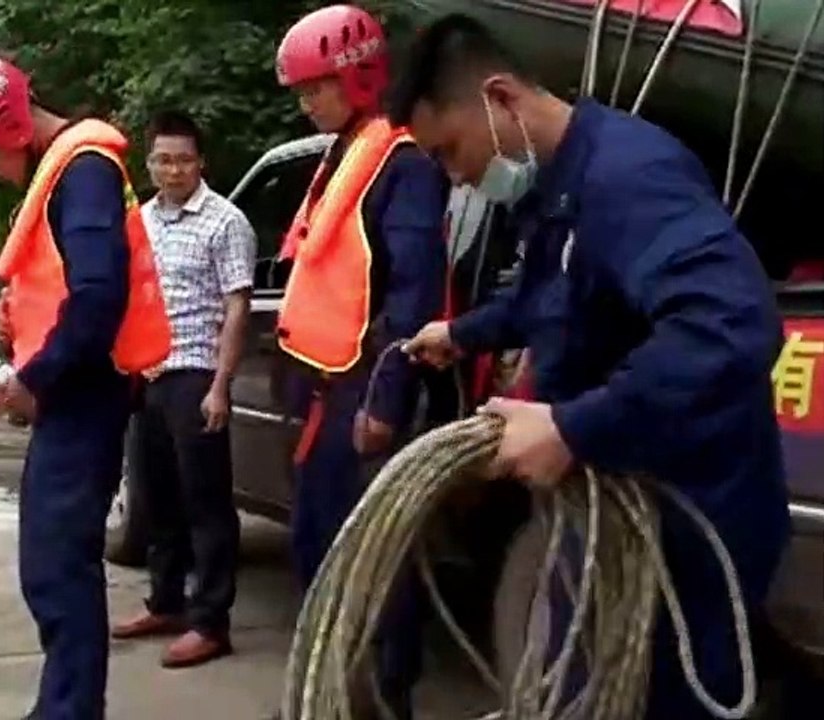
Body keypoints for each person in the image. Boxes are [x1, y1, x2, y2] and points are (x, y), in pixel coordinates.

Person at [393, 14, 789, 718]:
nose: (455, 176)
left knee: (662, 696)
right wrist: (463, 331)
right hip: (607, 501)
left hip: (688, 520)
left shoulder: (630, 177)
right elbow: (550, 295)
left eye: (451, 151)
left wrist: (573, 427)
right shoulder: (558, 188)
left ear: (501, 98)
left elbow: (729, 328)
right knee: (581, 681)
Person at [0, 52, 172, 719]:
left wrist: (36, 377)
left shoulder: (83, 169)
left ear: (1, 125)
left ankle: (68, 712)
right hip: (76, 389)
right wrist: (19, 318)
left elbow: (97, 297)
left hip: (82, 394)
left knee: (61, 565)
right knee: (51, 561)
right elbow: (67, 282)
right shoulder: (71, 169)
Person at [271, 4, 451, 717]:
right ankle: (338, 692)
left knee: (375, 563)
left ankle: (383, 695)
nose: (306, 100)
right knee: (319, 551)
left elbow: (413, 292)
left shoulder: (400, 165)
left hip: (362, 396)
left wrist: (384, 400)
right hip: (322, 391)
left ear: (358, 77)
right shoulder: (342, 155)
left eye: (316, 86)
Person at [109, 110, 254, 668]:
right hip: (146, 376)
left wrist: (222, 385)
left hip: (196, 375)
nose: (173, 170)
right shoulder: (138, 222)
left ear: (202, 163)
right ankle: (165, 602)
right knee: (157, 498)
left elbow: (238, 306)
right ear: (149, 164)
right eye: (163, 160)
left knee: (207, 505)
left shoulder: (225, 222)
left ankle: (211, 621)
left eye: (184, 160)